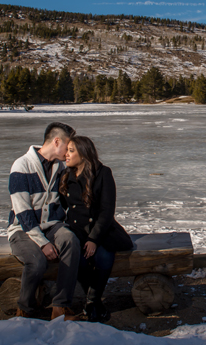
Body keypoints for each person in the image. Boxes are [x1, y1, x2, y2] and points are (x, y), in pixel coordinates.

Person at [7, 122, 80, 320]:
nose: (69, 151)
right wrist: (43, 243)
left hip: (52, 226)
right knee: (37, 262)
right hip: (22, 229)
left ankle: (60, 307)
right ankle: (25, 309)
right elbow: (23, 213)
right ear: (57, 141)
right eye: (68, 145)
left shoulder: (61, 167)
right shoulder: (21, 165)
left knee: (71, 242)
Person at [60, 135, 133, 322]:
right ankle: (94, 302)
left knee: (103, 256)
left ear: (84, 153)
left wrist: (93, 239)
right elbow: (60, 206)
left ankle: (92, 302)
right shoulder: (65, 175)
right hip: (76, 230)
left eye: (71, 150)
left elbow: (107, 211)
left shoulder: (103, 173)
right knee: (80, 260)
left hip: (101, 229)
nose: (66, 155)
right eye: (66, 150)